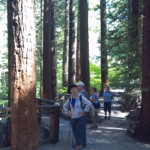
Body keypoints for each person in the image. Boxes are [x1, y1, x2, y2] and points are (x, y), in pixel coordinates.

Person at [63, 84, 92, 150]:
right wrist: (68, 112)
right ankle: (79, 147)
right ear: (70, 91)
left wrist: (84, 111)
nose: (74, 90)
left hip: (80, 118)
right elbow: (64, 106)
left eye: (75, 89)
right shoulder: (70, 99)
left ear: (77, 90)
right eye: (72, 89)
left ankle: (79, 147)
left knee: (79, 133)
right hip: (73, 118)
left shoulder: (80, 97)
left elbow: (89, 103)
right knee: (75, 133)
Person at [77, 81, 88, 147]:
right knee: (82, 128)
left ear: (81, 86)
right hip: (83, 112)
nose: (77, 87)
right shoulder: (85, 93)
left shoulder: (81, 94)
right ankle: (83, 142)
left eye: (78, 86)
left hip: (80, 113)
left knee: (79, 129)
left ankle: (80, 143)